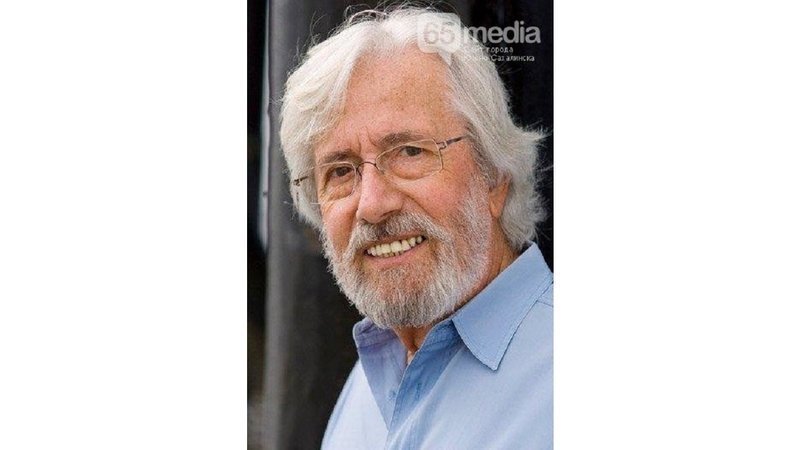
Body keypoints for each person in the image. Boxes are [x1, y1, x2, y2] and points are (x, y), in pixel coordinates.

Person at [279, 7, 552, 449]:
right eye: (341, 171)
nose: (372, 205)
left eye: (409, 152)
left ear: (493, 175)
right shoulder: (370, 377)